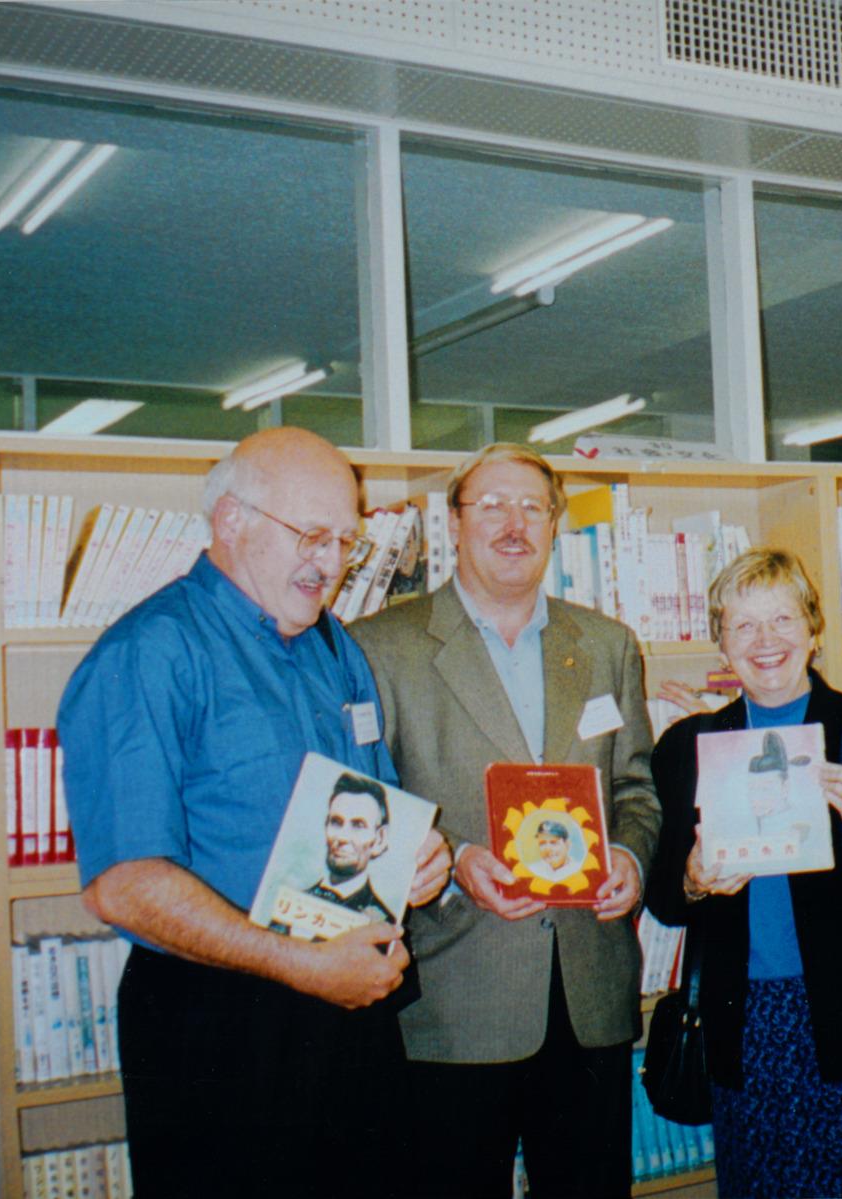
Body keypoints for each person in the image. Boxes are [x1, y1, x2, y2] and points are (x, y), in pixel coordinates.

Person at [58, 427, 451, 1197]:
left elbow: (363, 813)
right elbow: (124, 883)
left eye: (346, 541)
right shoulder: (150, 652)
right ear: (230, 520)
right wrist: (303, 965)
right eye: (311, 535)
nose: (332, 563)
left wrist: (413, 860)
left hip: (348, 1009)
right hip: (220, 1024)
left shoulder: (334, 646)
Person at [349, 443, 659, 1199]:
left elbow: (637, 788)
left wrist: (629, 857)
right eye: (490, 504)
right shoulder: (379, 646)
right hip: (454, 996)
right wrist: (451, 860)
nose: (513, 522)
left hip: (589, 995)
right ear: (454, 523)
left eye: (532, 506)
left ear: (556, 524)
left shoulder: (608, 645)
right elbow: (361, 806)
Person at [645, 548, 842, 1199]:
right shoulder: (689, 746)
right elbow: (664, 901)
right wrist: (694, 876)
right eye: (745, 627)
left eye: (782, 620)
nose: (766, 642)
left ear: (814, 630)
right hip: (752, 1030)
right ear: (722, 644)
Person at [310, 773, 396, 924]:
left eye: (358, 825)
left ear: (380, 839)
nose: (342, 838)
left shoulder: (382, 923)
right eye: (336, 822)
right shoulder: (292, 899)